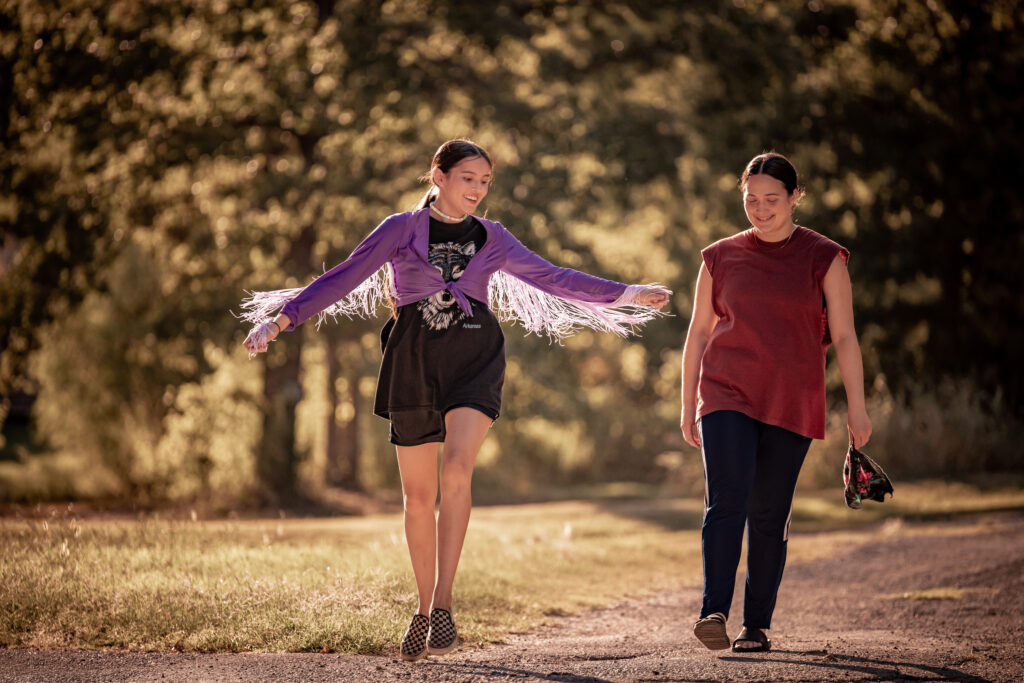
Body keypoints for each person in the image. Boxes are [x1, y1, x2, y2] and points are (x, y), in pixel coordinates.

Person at [241, 139, 670, 661]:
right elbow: (343, 276)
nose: (478, 189)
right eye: (468, 177)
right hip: (413, 362)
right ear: (438, 176)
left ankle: (444, 601)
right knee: (418, 498)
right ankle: (423, 610)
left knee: (457, 471)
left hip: (475, 359)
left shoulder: (494, 237)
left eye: (485, 181)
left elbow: (555, 277)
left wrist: (626, 293)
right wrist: (282, 318)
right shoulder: (401, 229)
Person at [679, 152, 871, 653]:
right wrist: (687, 403)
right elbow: (699, 333)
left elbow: (846, 337)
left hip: (792, 396)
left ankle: (756, 624)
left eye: (771, 200)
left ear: (794, 198)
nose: (760, 209)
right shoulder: (718, 257)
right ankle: (713, 611)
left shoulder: (824, 256)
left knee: (768, 512)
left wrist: (858, 408)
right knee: (727, 499)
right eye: (751, 200)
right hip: (725, 390)